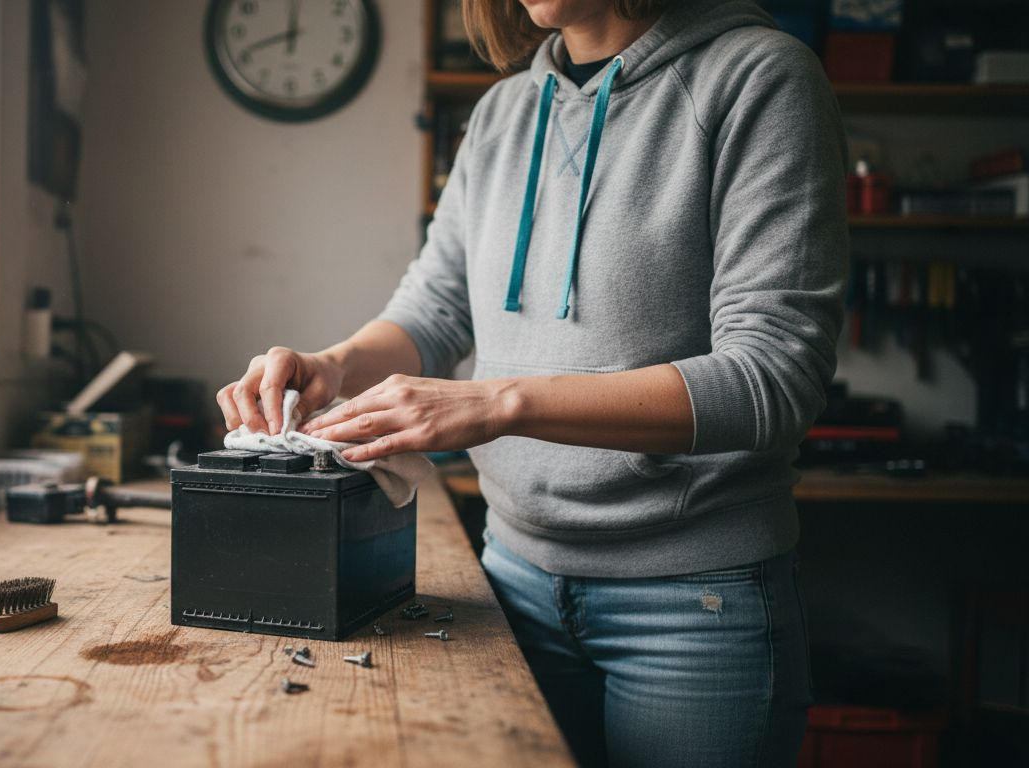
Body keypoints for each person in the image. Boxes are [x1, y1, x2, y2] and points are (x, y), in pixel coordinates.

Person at [217, 0, 847, 764]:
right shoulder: (502, 110)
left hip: (692, 602)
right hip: (511, 580)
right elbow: (437, 309)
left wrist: (499, 401)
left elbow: (770, 380)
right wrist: (334, 364)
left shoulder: (759, 77)